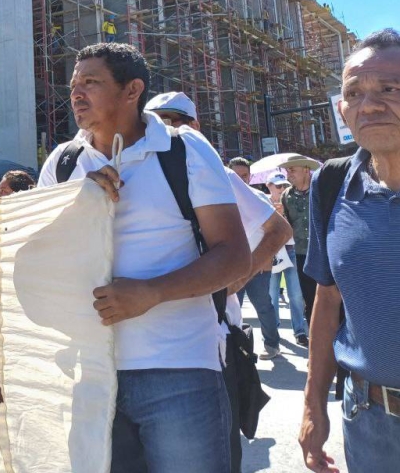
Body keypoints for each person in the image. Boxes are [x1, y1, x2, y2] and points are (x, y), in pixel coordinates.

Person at [39, 44, 250, 472]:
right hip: (89, 376)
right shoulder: (62, 164)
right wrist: (77, 202)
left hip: (179, 371)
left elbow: (234, 256)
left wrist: (152, 292)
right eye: (74, 85)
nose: (77, 94)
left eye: (91, 83)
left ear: (132, 89)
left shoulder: (185, 151)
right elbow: (37, 264)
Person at [300, 29, 400, 473]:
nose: (369, 105)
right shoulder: (332, 184)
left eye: (390, 89)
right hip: (370, 428)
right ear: (342, 110)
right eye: (354, 93)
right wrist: (314, 406)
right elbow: (328, 300)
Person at [145, 91, 292, 473]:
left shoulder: (213, 171)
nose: (164, 127)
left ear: (194, 126)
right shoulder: (136, 171)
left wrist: (233, 281)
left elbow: (277, 229)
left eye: (173, 119)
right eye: (156, 119)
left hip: (211, 344)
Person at [265, 173, 308, 348]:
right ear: (268, 186)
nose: (282, 189)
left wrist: (284, 217)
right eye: (277, 186)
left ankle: (300, 331)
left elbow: (295, 227)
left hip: (290, 251)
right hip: (270, 254)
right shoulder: (262, 201)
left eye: (283, 185)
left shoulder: (289, 199)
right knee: (271, 295)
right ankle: (273, 330)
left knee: (296, 295)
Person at [280, 154, 320, 325]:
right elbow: (288, 223)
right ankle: (315, 338)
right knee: (309, 298)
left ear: (306, 170)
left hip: (323, 252)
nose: (288, 174)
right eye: (287, 171)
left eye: (292, 170)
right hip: (302, 254)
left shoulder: (321, 190)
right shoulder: (286, 195)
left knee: (333, 296)